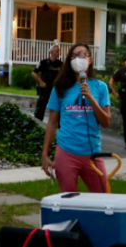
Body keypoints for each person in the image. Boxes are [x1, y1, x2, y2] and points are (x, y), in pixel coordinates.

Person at [40, 44, 113, 192]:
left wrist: (91, 99)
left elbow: (106, 122)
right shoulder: (60, 87)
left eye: (82, 54)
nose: (77, 58)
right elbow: (52, 123)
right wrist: (45, 153)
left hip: (92, 152)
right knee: (68, 199)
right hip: (66, 151)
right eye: (73, 56)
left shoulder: (100, 87)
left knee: (104, 197)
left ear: (90, 60)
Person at [32, 45, 63, 121]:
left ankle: (57, 126)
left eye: (59, 51)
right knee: (41, 108)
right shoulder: (44, 63)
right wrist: (41, 82)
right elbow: (34, 73)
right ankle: (38, 122)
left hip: (56, 89)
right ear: (51, 52)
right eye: (57, 51)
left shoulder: (60, 64)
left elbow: (64, 75)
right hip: (45, 88)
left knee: (57, 109)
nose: (58, 53)